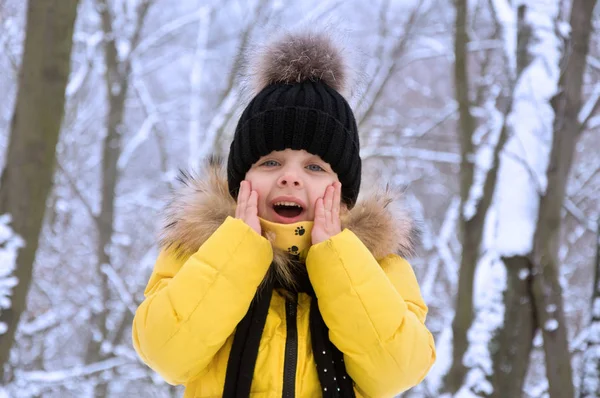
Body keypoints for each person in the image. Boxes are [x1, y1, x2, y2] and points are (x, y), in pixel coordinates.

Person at [132, 30, 436, 398]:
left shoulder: (379, 266)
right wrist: (238, 250)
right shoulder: (197, 253)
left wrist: (337, 257)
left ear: (343, 195)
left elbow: (397, 371)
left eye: (314, 168)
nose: (290, 177)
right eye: (270, 162)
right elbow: (166, 354)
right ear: (239, 182)